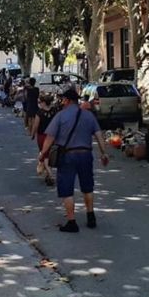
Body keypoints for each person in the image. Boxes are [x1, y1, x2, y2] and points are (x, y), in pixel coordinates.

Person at [38, 89, 109, 233]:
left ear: (67, 100)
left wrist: (43, 154)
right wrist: (103, 153)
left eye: (63, 99)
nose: (62, 102)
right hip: (85, 154)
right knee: (87, 186)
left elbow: (50, 137)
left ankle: (71, 222)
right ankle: (91, 216)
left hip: (67, 155)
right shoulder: (88, 116)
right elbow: (99, 135)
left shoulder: (60, 116)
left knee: (67, 189)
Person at [32, 95, 57, 186]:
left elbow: (36, 125)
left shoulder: (40, 113)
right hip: (53, 135)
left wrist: (32, 134)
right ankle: (47, 175)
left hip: (42, 136)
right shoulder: (54, 111)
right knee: (49, 154)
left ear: (43, 102)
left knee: (44, 154)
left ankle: (50, 175)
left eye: (40, 102)